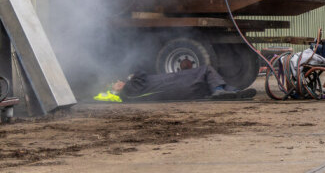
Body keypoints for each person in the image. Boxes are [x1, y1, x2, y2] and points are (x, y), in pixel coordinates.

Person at [93, 65, 256, 102]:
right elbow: (141, 72)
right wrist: (130, 75)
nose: (118, 82)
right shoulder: (130, 89)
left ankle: (233, 93)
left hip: (183, 90)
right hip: (178, 83)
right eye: (115, 84)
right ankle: (225, 91)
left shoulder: (132, 93)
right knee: (206, 70)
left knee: (207, 83)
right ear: (115, 90)